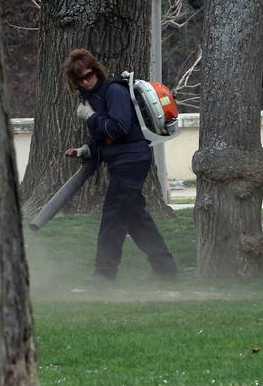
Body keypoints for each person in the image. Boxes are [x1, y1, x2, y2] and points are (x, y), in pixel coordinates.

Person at [62, 48, 177, 283]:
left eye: (88, 76)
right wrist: (86, 149)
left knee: (113, 215)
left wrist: (91, 117)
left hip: (132, 159)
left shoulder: (114, 91)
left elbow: (119, 128)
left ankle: (104, 274)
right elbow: (104, 136)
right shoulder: (93, 98)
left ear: (96, 71)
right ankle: (166, 269)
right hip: (124, 159)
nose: (85, 82)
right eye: (79, 80)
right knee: (136, 218)